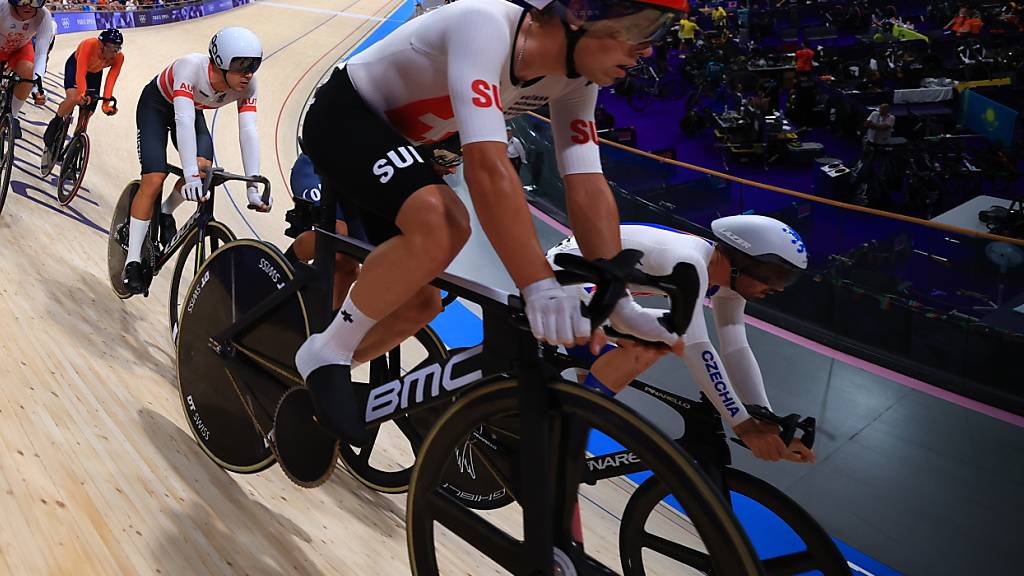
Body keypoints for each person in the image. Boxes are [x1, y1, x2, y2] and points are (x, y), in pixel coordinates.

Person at [296, 0, 689, 444]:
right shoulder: (484, 23)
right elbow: (486, 166)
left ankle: (323, 368)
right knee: (446, 223)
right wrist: (538, 286)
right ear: (580, 12)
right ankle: (326, 352)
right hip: (345, 116)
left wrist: (617, 299)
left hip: (401, 144)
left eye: (658, 32)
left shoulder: (576, 80)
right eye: (641, 27)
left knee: (419, 304)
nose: (648, 50)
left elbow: (586, 182)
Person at [548, 217, 816, 464]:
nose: (779, 287)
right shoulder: (691, 262)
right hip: (562, 283)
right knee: (659, 340)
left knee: (649, 338)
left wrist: (762, 416)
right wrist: (743, 426)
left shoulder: (724, 278)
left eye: (787, 279)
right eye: (774, 275)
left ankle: (566, 426)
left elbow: (736, 348)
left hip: (588, 287)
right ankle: (567, 429)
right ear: (743, 261)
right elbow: (696, 346)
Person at [123, 27, 270, 295]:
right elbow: (183, 120)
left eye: (254, 64)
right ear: (219, 62)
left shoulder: (249, 84)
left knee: (204, 170)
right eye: (241, 65)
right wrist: (187, 173)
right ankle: (132, 261)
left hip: (192, 110)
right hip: (157, 106)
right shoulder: (190, 67)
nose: (248, 72)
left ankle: (165, 211)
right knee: (155, 179)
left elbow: (249, 130)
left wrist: (253, 186)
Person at [287, 151, 360, 311]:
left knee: (351, 264)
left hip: (352, 184)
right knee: (337, 236)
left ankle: (322, 324)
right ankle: (280, 272)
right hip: (317, 167)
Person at [43, 28, 124, 149]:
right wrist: (81, 93)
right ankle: (57, 121)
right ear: (101, 45)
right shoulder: (89, 44)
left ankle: (76, 144)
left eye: (117, 48)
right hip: (76, 66)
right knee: (75, 97)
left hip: (95, 74)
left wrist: (106, 104)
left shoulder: (118, 57)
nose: (115, 52)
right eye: (112, 48)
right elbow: (80, 73)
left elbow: (111, 80)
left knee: (88, 111)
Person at [1, 0, 53, 139]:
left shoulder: (44, 16)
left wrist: (37, 86)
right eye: (23, 0)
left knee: (29, 72)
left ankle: (13, 114)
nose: (29, 5)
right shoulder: (2, 7)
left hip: (20, 49)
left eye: (36, 1)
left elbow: (41, 54)